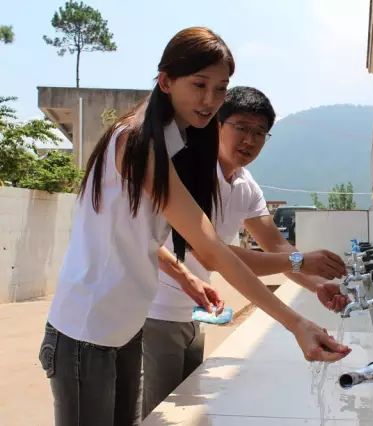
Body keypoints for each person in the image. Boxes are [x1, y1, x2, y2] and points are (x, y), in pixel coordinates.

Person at [38, 27, 350, 426]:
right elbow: (212, 248)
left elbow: (144, 235)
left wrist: (185, 276)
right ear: (166, 81)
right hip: (86, 331)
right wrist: (296, 323)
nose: (209, 100)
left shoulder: (177, 142)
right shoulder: (136, 142)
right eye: (199, 84)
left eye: (220, 89)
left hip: (124, 328)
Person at [142, 86, 349, 416]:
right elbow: (211, 252)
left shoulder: (245, 184)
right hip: (155, 310)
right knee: (159, 413)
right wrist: (299, 262)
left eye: (259, 133)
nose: (249, 140)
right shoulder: (189, 171)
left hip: (194, 312)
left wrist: (317, 285)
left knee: (181, 412)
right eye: (241, 127)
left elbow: (276, 244)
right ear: (217, 125)